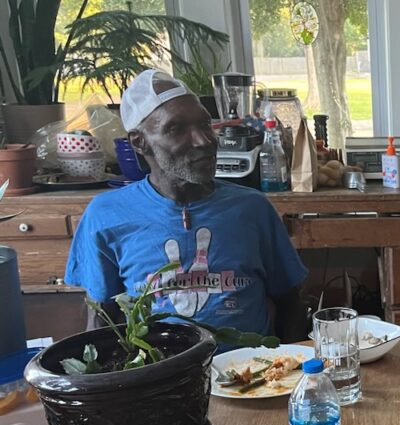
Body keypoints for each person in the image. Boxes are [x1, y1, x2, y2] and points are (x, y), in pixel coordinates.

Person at [65, 70, 308, 344]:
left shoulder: (252, 209)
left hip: (249, 368)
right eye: (176, 129)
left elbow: (291, 304)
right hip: (159, 368)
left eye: (205, 124)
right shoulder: (106, 215)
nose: (204, 140)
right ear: (139, 142)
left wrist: (291, 365)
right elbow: (101, 319)